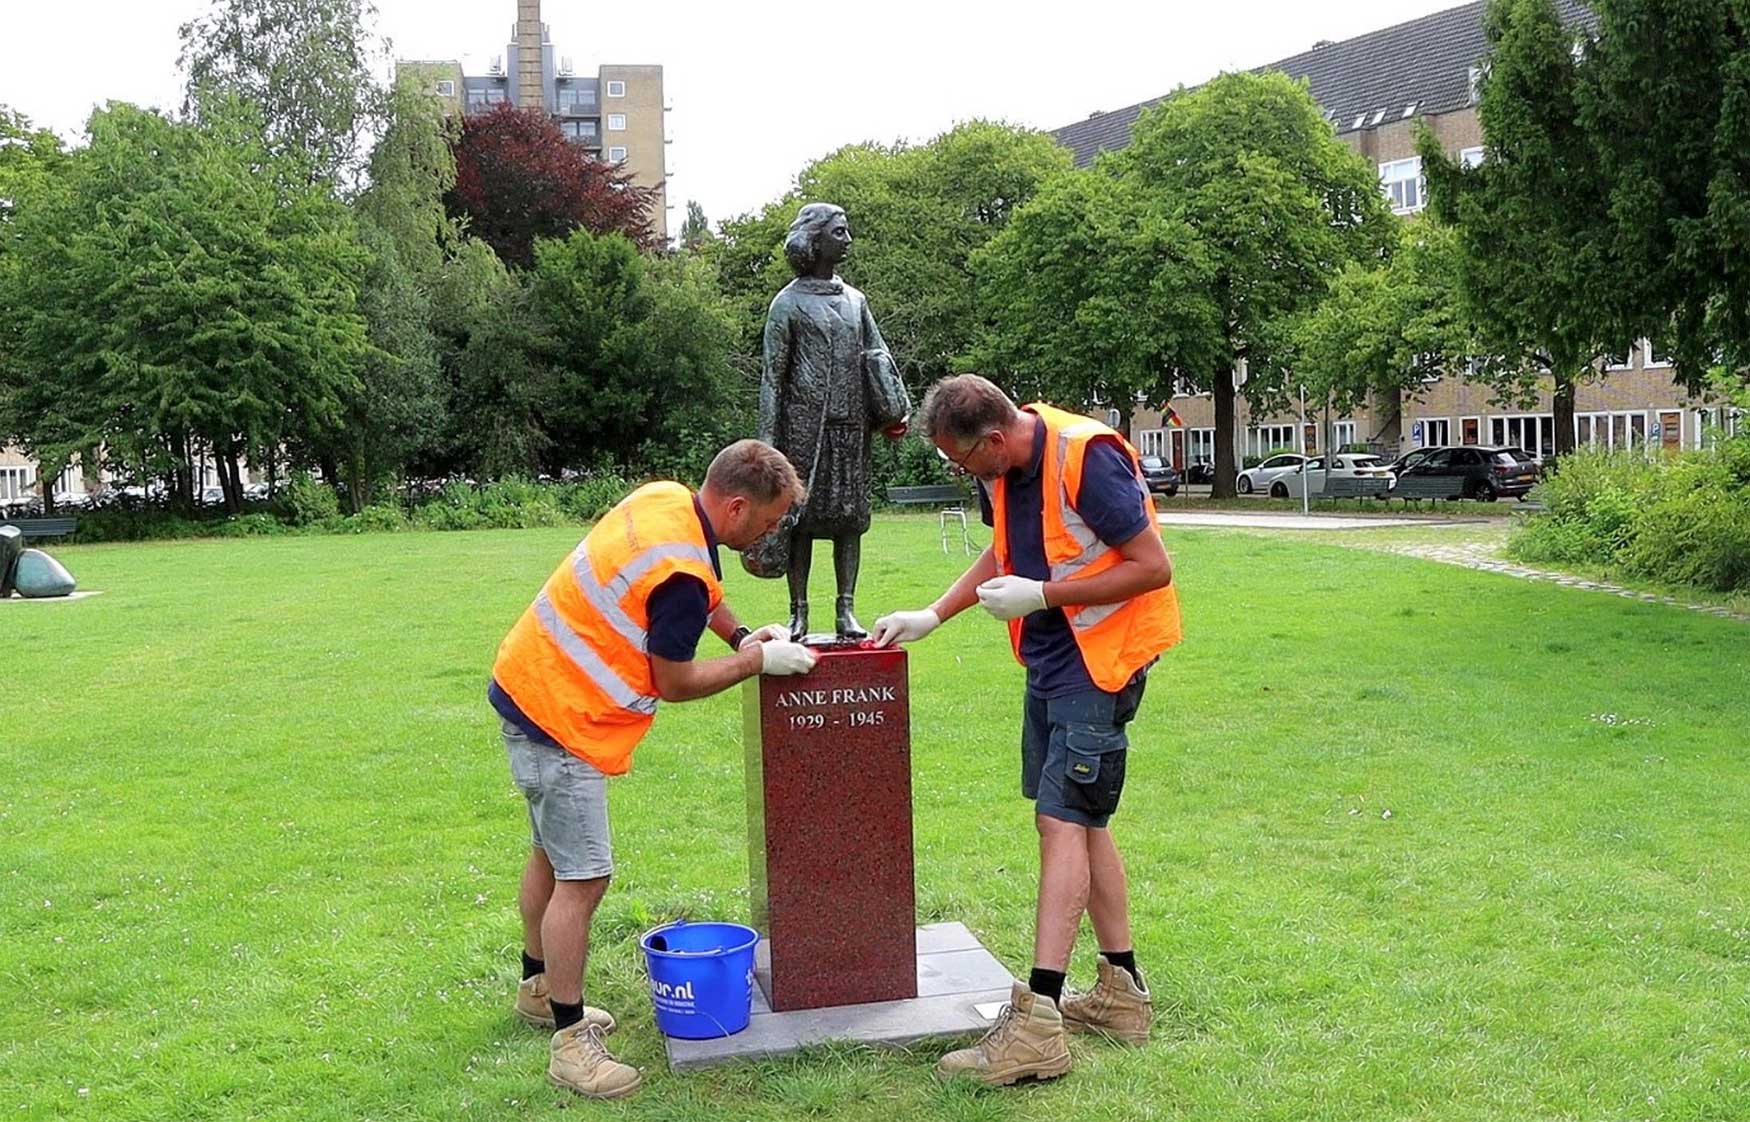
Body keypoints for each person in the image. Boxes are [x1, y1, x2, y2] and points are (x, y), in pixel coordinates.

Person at [872, 375, 1181, 1086]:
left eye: (963, 461)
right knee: (1086, 821)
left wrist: (1045, 594)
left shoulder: (1086, 457)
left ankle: (1038, 1022)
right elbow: (1003, 552)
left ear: (994, 438)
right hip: (1052, 658)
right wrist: (933, 614)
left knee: (1061, 823)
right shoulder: (1005, 467)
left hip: (1100, 662)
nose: (961, 474)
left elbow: (1152, 567)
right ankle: (1121, 993)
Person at [488, 440, 819, 1100]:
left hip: (526, 686)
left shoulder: (667, 500)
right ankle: (570, 1043)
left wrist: (740, 635)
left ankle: (537, 985)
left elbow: (704, 591)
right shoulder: (679, 576)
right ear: (735, 506)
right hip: (564, 719)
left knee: (551, 856)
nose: (772, 531)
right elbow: (675, 680)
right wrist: (757, 664)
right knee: (584, 875)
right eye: (771, 518)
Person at [757, 202, 909, 640]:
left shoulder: (856, 301)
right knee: (799, 521)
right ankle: (798, 612)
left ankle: (846, 611)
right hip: (803, 433)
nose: (848, 240)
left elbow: (879, 359)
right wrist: (767, 444)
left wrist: (891, 408)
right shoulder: (786, 304)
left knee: (849, 520)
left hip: (851, 429)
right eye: (839, 232)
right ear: (815, 239)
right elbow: (773, 378)